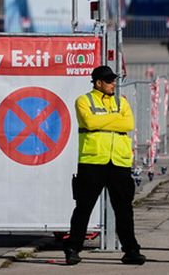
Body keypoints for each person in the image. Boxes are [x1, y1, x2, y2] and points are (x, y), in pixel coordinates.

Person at [63, 66, 145, 266]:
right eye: (109, 81)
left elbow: (128, 124)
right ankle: (73, 248)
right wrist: (115, 119)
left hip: (118, 161)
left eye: (113, 80)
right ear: (98, 82)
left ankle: (131, 251)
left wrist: (104, 121)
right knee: (84, 208)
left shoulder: (121, 102)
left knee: (124, 209)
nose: (113, 84)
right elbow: (90, 123)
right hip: (93, 161)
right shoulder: (83, 100)